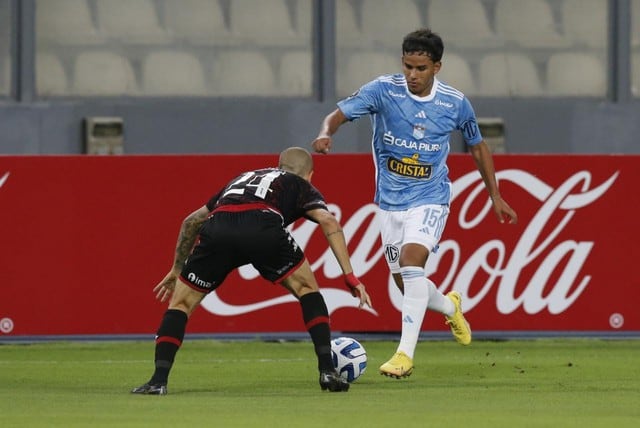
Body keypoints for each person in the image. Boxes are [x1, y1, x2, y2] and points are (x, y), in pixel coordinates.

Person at [311, 28, 518, 379]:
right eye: (407, 66)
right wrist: (325, 133)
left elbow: (478, 146)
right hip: (390, 201)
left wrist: (494, 195)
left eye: (420, 68)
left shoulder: (454, 103)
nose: (412, 75)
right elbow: (337, 115)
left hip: (431, 197)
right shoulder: (383, 90)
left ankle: (404, 355)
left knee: (411, 262)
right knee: (405, 282)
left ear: (436, 67)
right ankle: (450, 305)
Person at [132, 147, 372, 395]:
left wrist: (177, 268)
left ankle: (157, 381)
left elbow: (191, 221)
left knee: (180, 304)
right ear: (310, 175)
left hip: (219, 227)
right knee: (307, 289)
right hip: (263, 227)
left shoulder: (242, 178)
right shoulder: (299, 184)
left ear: (278, 165)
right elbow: (328, 220)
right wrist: (350, 275)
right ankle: (327, 372)